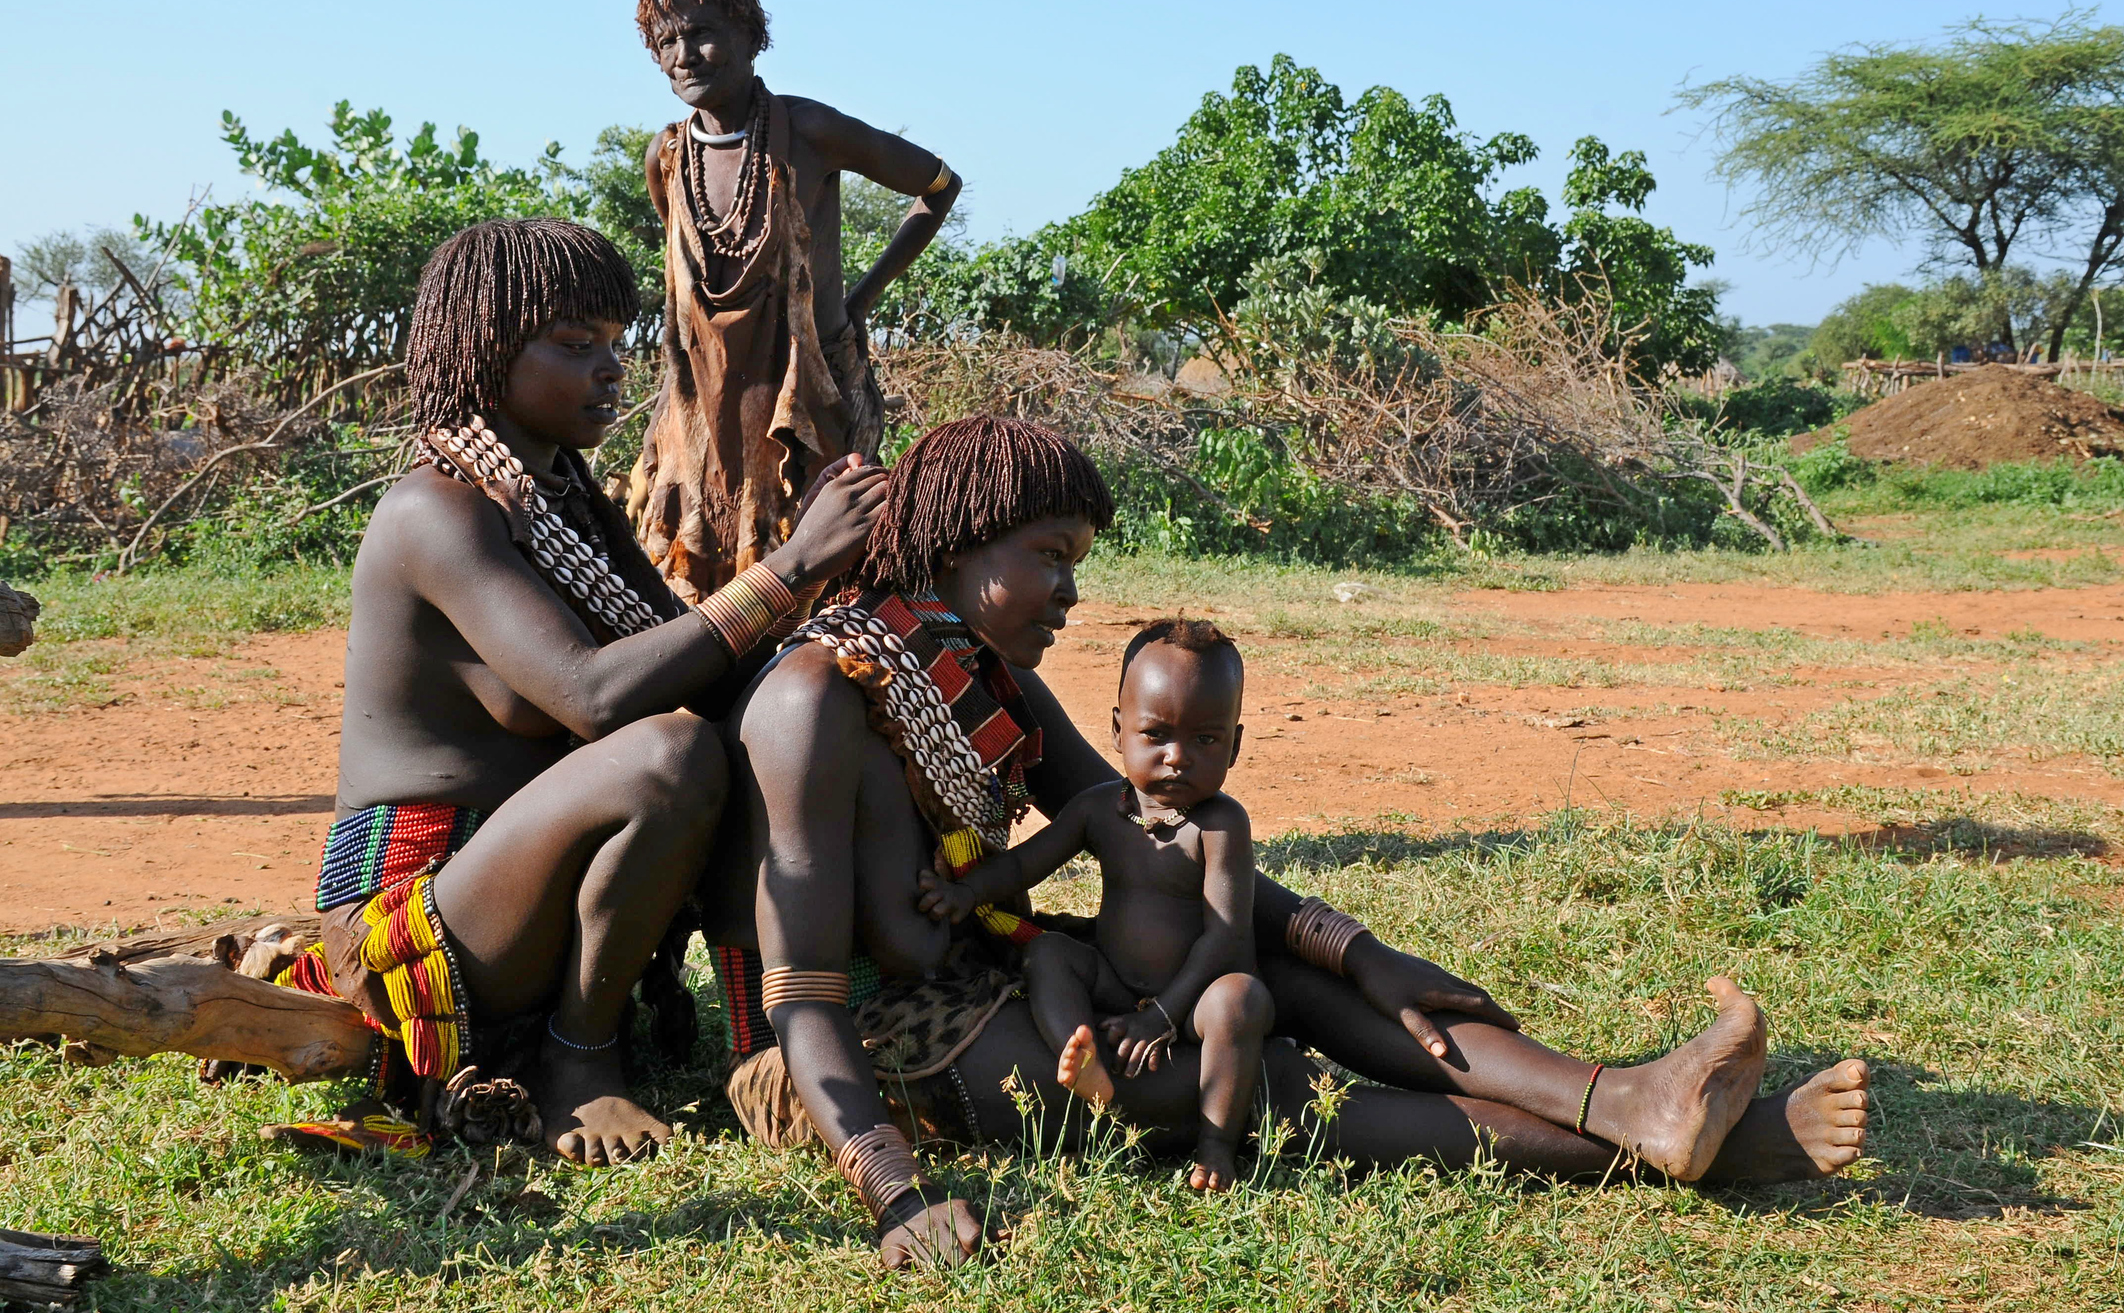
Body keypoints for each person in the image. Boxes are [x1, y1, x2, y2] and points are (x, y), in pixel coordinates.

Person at [725, 415, 1872, 1270]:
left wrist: (1350, 948)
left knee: (1258, 979)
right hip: (896, 1052)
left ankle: (1632, 1104)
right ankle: (1695, 1143)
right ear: (966, 537)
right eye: (1052, 554)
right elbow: (803, 999)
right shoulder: (817, 697)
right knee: (1256, 1078)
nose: (1072, 592)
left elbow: (1156, 842)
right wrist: (895, 1192)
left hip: (1008, 978)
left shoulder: (978, 673)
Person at [278, 217, 887, 1166]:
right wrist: (789, 567)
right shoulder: (434, 509)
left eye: (615, 343)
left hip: (521, 902)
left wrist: (817, 599)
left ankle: (766, 1034)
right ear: (485, 351)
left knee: (755, 721)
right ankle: (578, 1056)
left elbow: (706, 668)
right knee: (667, 756)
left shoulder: (567, 501)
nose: (611, 368)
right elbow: (595, 697)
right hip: (423, 921)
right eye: (575, 346)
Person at [627, 0, 962, 601]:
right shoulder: (667, 156)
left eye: (700, 32)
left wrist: (862, 297)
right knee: (697, 580)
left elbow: (937, 187)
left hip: (812, 402)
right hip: (705, 412)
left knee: (827, 584)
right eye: (666, 42)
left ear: (752, 36)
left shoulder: (811, 131)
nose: (684, 54)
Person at [916, 618, 1269, 1192]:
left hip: (1196, 994)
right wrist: (966, 891)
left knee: (1242, 999)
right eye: (1156, 735)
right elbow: (1022, 866)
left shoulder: (1221, 826)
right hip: (1113, 982)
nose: (1177, 757)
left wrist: (1164, 1015)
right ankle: (1084, 1063)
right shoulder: (1099, 809)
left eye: (1206, 739)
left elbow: (1225, 939)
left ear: (1235, 743)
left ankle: (1216, 1145)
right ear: (1118, 730)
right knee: (1051, 954)